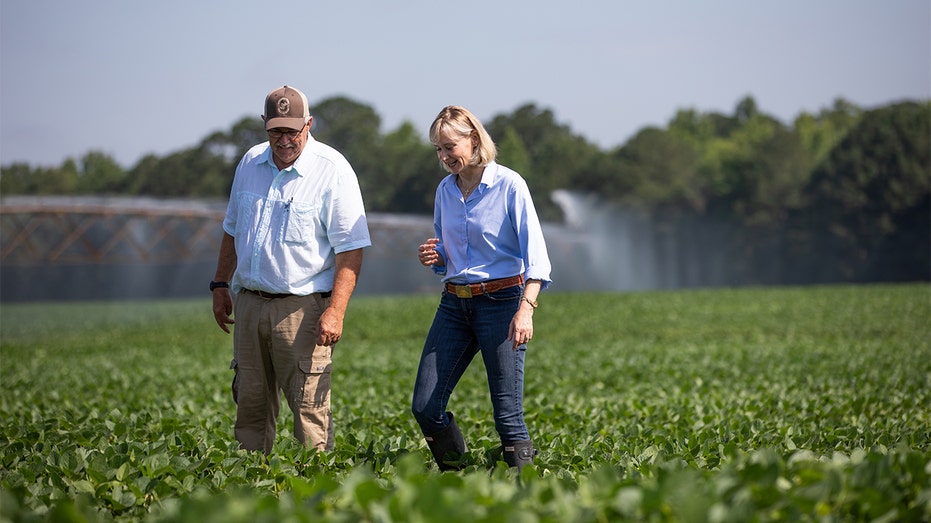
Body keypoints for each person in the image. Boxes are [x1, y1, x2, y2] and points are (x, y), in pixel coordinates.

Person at [210, 85, 371, 454]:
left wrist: (336, 311)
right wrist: (220, 284)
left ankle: (316, 494)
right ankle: (252, 491)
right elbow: (233, 229)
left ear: (309, 124)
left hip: (303, 310)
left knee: (309, 409)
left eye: (292, 131)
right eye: (275, 131)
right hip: (250, 304)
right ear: (264, 125)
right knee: (249, 407)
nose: (284, 141)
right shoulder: (250, 163)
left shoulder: (332, 170)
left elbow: (351, 249)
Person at [412, 105, 552, 472]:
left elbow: (537, 257)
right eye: (438, 150)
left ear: (473, 139)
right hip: (454, 305)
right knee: (425, 406)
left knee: (507, 412)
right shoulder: (445, 190)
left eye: (449, 147)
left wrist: (526, 310)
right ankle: (456, 479)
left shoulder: (509, 185)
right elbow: (451, 256)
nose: (443, 157)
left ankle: (527, 493)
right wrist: (437, 256)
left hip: (503, 304)